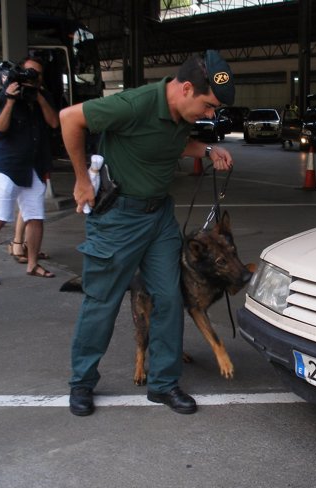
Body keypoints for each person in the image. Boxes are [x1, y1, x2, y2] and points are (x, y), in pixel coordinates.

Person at [60, 50, 235, 417]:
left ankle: (164, 383)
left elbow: (170, 143)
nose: (209, 115)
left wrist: (207, 148)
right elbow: (69, 119)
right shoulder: (134, 104)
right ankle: (82, 382)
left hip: (159, 219)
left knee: (169, 298)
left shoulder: (180, 113)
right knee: (102, 301)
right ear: (186, 88)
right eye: (207, 106)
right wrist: (80, 180)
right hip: (117, 220)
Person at [0, 56, 59, 286]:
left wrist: (38, 96)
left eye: (37, 74)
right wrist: (10, 100)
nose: (33, 77)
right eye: (29, 72)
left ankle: (32, 264)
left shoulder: (42, 96)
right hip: (7, 165)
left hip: (34, 165)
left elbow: (54, 123)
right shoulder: (5, 94)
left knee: (35, 216)